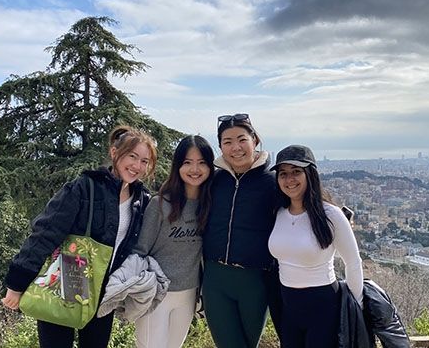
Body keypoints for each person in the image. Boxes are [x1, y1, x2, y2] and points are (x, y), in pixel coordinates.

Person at [1, 125, 158, 348]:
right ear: (115, 153)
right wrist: (16, 283)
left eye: (144, 161)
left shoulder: (141, 200)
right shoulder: (85, 188)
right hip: (65, 283)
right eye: (132, 156)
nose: (137, 166)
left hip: (104, 294)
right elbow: (45, 233)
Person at [268, 144, 364, 348]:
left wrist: (356, 309)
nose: (289, 179)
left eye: (296, 172)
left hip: (323, 305)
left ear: (310, 175)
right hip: (287, 305)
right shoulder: (278, 213)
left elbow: (353, 262)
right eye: (283, 174)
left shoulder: (331, 214)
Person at [202, 113, 281, 348]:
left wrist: (337, 214)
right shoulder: (214, 180)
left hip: (255, 281)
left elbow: (303, 202)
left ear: (255, 140)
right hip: (215, 280)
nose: (235, 147)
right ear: (220, 147)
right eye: (227, 142)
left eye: (241, 139)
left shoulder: (273, 181)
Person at [132, 135, 214, 348]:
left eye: (201, 163)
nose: (194, 169)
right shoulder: (160, 205)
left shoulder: (210, 207)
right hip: (156, 294)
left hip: (188, 294)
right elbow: (140, 250)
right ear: (178, 166)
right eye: (187, 162)